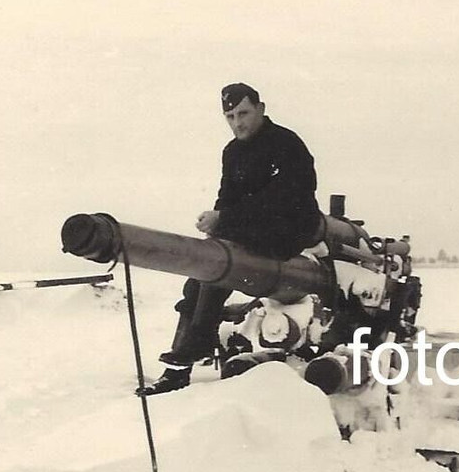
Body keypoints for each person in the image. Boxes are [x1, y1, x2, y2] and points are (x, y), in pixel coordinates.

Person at [137, 83, 321, 396]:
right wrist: (215, 225)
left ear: (261, 109)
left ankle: (196, 344)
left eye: (244, 113)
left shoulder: (286, 143)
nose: (238, 123)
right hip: (252, 229)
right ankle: (179, 367)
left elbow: (284, 199)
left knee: (220, 266)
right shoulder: (232, 152)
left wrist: (225, 219)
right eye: (230, 116)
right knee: (200, 276)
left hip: (289, 230)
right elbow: (228, 196)